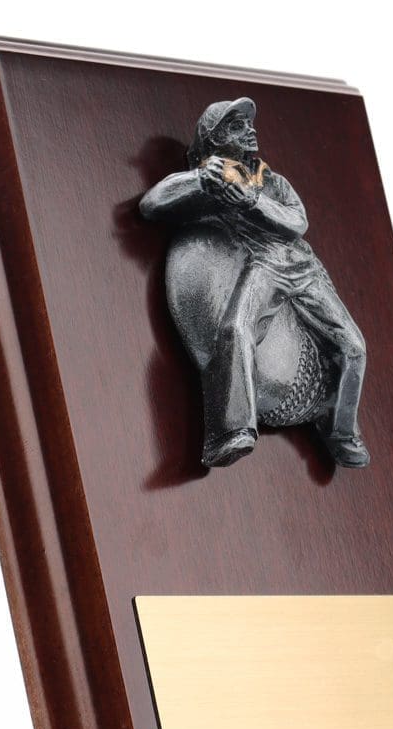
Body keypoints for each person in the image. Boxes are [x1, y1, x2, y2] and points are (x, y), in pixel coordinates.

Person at [140, 97, 369, 468]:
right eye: (237, 125)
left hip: (303, 268)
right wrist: (198, 180)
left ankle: (341, 430)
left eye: (248, 123)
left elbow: (297, 223)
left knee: (353, 345)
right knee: (235, 328)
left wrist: (251, 202)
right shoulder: (215, 178)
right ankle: (232, 430)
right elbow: (151, 204)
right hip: (265, 267)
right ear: (214, 139)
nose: (250, 130)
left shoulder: (273, 182)